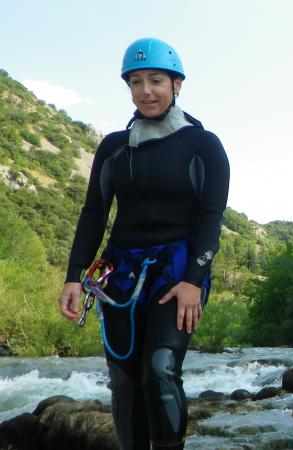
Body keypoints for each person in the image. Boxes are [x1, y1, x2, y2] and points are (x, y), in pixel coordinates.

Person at [57, 38, 230, 449]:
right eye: (136, 81)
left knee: (160, 368)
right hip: (121, 272)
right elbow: (94, 213)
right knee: (124, 379)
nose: (146, 91)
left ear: (177, 85)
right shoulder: (113, 147)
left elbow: (211, 219)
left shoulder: (203, 145)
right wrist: (74, 276)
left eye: (156, 80)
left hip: (178, 272)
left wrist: (194, 280)